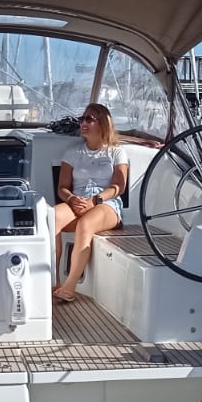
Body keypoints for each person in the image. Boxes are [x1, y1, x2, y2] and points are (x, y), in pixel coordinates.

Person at [52, 103, 129, 303]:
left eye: (89, 119)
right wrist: (71, 199)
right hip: (78, 200)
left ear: (103, 123)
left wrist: (95, 200)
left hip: (107, 203)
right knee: (51, 218)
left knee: (86, 224)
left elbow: (119, 186)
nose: (83, 123)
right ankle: (54, 281)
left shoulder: (116, 152)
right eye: (82, 119)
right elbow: (62, 187)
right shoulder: (72, 153)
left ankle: (69, 287)